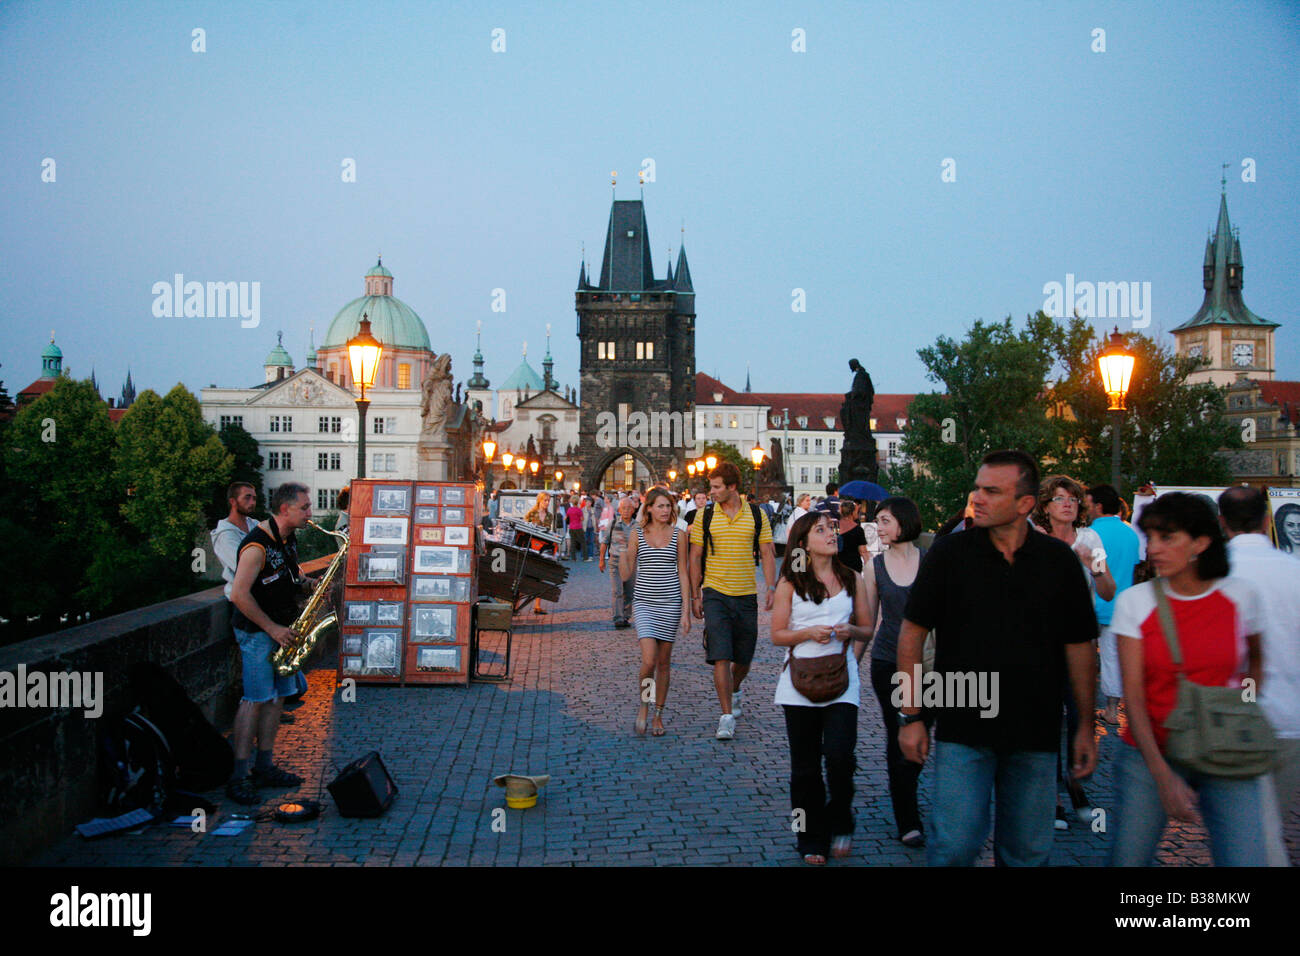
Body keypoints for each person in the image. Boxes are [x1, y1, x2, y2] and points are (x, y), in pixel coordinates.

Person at [896, 450, 1098, 867]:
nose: (978, 498)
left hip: (1036, 732)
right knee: (953, 848)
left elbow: (1080, 647)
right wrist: (911, 716)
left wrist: (1085, 727)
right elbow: (911, 634)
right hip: (962, 726)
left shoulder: (1058, 562)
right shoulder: (950, 555)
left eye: (991, 490)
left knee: (1027, 854)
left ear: (1025, 504)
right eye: (977, 487)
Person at [1108, 493, 1286, 866]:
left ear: (1201, 543)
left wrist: (1244, 707)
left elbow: (1255, 660)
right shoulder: (1136, 602)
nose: (1153, 548)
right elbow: (1134, 697)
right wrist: (1162, 775)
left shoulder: (1239, 595)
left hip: (1224, 746)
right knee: (1128, 858)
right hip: (1150, 750)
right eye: (1151, 537)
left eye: (1167, 537)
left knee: (1245, 858)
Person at [771, 510, 871, 864]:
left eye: (832, 528)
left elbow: (867, 628)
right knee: (805, 769)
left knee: (841, 758)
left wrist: (851, 632)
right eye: (821, 530)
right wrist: (807, 633)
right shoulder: (790, 583)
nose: (832, 533)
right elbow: (777, 634)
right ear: (804, 543)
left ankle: (840, 814)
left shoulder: (852, 578)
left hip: (843, 680)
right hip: (798, 682)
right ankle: (807, 835)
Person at [1034, 475, 1116, 830]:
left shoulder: (1091, 539)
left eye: (1072, 498)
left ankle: (1075, 782)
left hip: (1079, 639)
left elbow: (1109, 590)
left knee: (1081, 713)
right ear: (1046, 506)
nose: (1067, 503)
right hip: (1039, 641)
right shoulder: (1033, 538)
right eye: (1059, 498)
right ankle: (1050, 798)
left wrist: (1090, 563)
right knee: (1046, 718)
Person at [225, 482, 312, 805]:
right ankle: (239, 775)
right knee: (256, 699)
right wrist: (272, 628)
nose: (309, 513)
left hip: (280, 631)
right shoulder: (256, 546)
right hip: (258, 632)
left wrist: (309, 584)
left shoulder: (288, 539)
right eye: (304, 507)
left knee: (276, 700)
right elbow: (238, 595)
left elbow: (289, 578)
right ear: (285, 509)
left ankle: (265, 765)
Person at [1219, 486, 1300, 820]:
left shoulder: (1213, 575)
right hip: (1289, 716)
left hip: (1231, 718)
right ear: (1267, 521)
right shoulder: (1294, 571)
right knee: (1267, 830)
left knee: (1244, 833)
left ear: (1222, 522)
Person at [857, 495, 929, 848]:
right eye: (877, 521)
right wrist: (852, 662)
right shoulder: (875, 566)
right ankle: (908, 817)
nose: (878, 528)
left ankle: (911, 791)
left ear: (904, 522)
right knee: (899, 733)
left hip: (929, 665)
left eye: (884, 520)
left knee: (923, 734)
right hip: (887, 663)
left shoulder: (931, 562)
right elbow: (867, 623)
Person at [689, 462, 776, 740]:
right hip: (715, 592)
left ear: (732, 487)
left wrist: (771, 586)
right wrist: (695, 594)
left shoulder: (756, 515)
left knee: (745, 658)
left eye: (716, 487)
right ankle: (726, 716)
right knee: (721, 656)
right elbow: (694, 556)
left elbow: (767, 552)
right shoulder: (705, 515)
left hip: (746, 593)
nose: (711, 492)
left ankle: (735, 688)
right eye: (710, 487)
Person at [621, 488, 690, 736]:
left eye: (668, 506)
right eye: (660, 506)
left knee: (663, 663)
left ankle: (658, 714)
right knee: (649, 660)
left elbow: (683, 572)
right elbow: (628, 570)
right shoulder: (637, 533)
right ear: (648, 508)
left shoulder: (679, 535)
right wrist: (618, 558)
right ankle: (644, 705)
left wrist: (686, 610)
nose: (665, 510)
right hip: (645, 604)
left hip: (670, 603)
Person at [1086, 483, 1141, 725]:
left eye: (1087, 503)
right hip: (1120, 606)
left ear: (1098, 506)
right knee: (1112, 658)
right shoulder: (1130, 533)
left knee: (1084, 658)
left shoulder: (1090, 535)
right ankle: (1111, 708)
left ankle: (1078, 704)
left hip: (1092, 604)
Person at [600, 496, 639, 629]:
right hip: (615, 560)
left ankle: (626, 617)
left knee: (629, 591)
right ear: (619, 510)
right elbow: (605, 541)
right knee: (618, 590)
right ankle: (618, 618)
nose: (626, 511)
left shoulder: (637, 526)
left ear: (633, 510)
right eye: (624, 508)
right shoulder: (613, 523)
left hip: (631, 562)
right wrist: (601, 560)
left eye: (629, 508)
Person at [524, 492, 552, 613]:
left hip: (543, 548)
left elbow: (548, 531)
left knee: (540, 577)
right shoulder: (531, 513)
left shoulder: (549, 515)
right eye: (545, 500)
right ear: (539, 501)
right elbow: (524, 528)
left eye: (548, 501)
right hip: (531, 547)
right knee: (525, 576)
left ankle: (537, 606)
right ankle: (515, 605)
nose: (547, 503)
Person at [837, 499, 867, 574]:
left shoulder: (834, 527)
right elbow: (863, 551)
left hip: (837, 566)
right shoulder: (858, 530)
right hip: (854, 566)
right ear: (853, 512)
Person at [565, 494, 585, 562]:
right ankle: (585, 557)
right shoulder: (579, 510)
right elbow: (582, 519)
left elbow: (566, 518)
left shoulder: (569, 509)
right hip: (578, 527)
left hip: (571, 527)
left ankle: (573, 558)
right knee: (583, 542)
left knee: (573, 543)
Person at [583, 493, 598, 561]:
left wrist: (596, 527)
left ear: (591, 503)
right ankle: (585, 556)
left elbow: (595, 519)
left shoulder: (593, 509)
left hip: (592, 527)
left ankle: (590, 556)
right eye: (587, 502)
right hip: (585, 528)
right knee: (585, 542)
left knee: (591, 542)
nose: (588, 503)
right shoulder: (583, 510)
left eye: (590, 502)